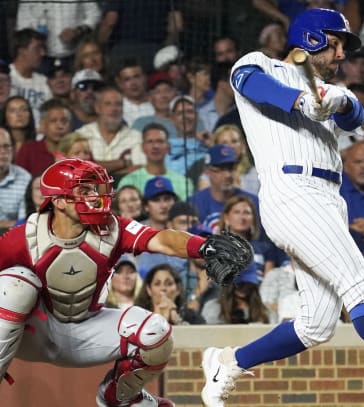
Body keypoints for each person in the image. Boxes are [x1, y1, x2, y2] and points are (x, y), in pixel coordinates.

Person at [200, 8, 364, 407]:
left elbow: (355, 116)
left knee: (317, 324)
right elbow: (248, 83)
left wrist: (340, 99)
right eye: (336, 43)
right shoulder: (262, 64)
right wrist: (300, 101)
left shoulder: (329, 89)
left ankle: (229, 362)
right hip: (293, 193)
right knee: (360, 285)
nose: (343, 54)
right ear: (311, 39)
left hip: (328, 198)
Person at [0, 158, 252, 407]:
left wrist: (204, 246)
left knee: (156, 331)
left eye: (96, 189)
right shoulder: (26, 236)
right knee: (15, 285)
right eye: (84, 190)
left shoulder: (113, 228)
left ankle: (119, 397)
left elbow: (161, 239)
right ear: (58, 201)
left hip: (86, 329)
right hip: (33, 333)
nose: (95, 197)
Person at [117, 122, 195, 201]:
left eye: (160, 141)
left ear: (168, 147)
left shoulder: (183, 182)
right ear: (142, 147)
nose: (155, 146)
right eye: (150, 141)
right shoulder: (129, 181)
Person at [78, 86, 145, 177]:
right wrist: (123, 163)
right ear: (98, 108)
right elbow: (81, 168)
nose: (114, 109)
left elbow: (138, 170)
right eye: (108, 104)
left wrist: (98, 172)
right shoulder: (82, 134)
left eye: (118, 104)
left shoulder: (136, 136)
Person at [134, 263, 205, 326]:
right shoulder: (138, 317)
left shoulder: (192, 318)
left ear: (178, 289)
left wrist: (176, 319)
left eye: (169, 283)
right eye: (157, 284)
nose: (163, 288)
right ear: (149, 290)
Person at [16, 97, 70, 176]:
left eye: (64, 121)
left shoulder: (80, 149)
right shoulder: (28, 150)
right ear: (42, 125)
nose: (60, 126)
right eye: (53, 121)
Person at [202, 264, 270, 325]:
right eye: (240, 283)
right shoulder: (214, 308)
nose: (245, 287)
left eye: (249, 282)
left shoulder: (262, 310)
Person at [0, 127, 31, 228]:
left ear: (13, 150)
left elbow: (23, 224)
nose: (2, 151)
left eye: (6, 146)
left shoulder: (25, 178)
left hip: (12, 237)